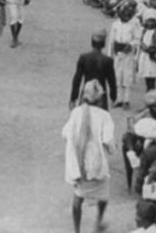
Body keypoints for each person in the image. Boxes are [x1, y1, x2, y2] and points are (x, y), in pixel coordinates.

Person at [61, 80, 114, 233]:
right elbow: (108, 140)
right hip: (97, 164)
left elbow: (65, 134)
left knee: (78, 197)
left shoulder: (76, 112)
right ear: (100, 99)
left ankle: (77, 230)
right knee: (103, 195)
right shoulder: (105, 116)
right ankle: (98, 222)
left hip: (79, 163)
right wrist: (111, 149)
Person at [69, 28, 117, 110]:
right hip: (101, 97)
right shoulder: (108, 60)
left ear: (92, 42)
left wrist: (73, 98)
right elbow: (112, 82)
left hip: (86, 94)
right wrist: (113, 97)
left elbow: (77, 79)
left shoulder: (83, 58)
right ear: (104, 43)